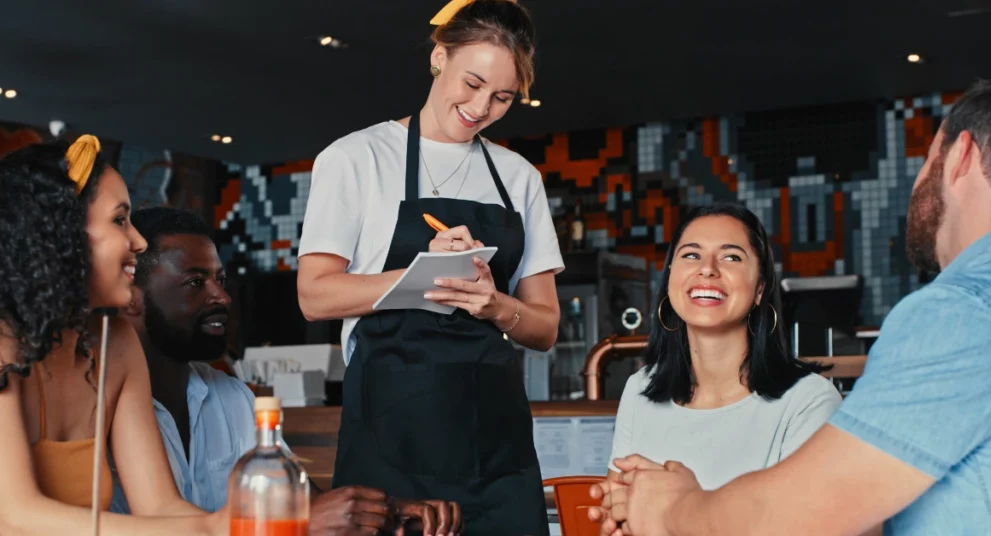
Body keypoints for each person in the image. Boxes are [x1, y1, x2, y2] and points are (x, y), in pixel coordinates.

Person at [591, 78, 991, 535]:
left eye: (926, 162)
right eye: (690, 255)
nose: (917, 183)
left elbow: (813, 513)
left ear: (961, 156)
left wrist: (673, 509)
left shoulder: (963, 314)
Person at [296, 0, 563, 532]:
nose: (481, 107)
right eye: (473, 83)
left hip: (498, 452)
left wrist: (494, 304)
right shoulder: (357, 158)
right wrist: (419, 275)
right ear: (439, 57)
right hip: (389, 447)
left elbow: (545, 327)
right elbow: (314, 296)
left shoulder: (519, 177)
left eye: (502, 97)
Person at [111, 206, 461, 535]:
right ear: (131, 295)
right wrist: (299, 523)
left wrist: (387, 513)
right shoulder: (100, 407)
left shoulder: (232, 398)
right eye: (194, 283)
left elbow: (303, 502)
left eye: (221, 279)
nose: (222, 297)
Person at [0, 137, 222, 534]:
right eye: (120, 220)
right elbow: (16, 516)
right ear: (62, 234)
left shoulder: (115, 342)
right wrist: (213, 530)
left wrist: (239, 525)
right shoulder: (2, 343)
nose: (140, 242)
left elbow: (159, 506)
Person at [606, 202, 841, 492]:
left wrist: (683, 505)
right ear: (670, 278)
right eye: (691, 255)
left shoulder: (810, 402)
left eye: (731, 257)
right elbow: (616, 510)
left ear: (759, 288)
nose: (707, 269)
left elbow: (806, 517)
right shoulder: (639, 391)